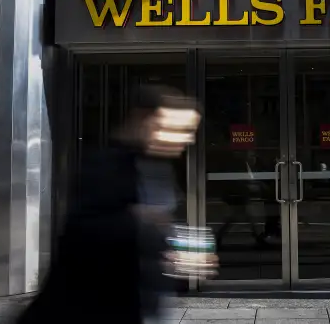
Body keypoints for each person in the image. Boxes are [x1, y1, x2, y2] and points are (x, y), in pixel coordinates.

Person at [16, 85, 200, 324]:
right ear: (145, 119)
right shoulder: (106, 166)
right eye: (177, 128)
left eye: (189, 131)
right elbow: (83, 236)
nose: (187, 138)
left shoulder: (156, 168)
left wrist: (172, 255)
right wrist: (142, 222)